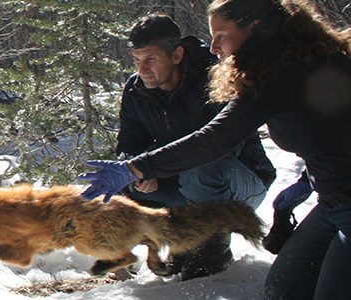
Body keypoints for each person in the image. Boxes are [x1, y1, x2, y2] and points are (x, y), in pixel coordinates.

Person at [78, 0, 351, 298]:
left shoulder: (281, 74)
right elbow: (330, 133)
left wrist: (136, 168)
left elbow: (215, 141)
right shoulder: (280, 67)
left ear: (254, 28)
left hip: (335, 199)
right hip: (332, 203)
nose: (214, 47)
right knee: (284, 289)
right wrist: (306, 182)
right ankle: (180, 243)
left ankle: (209, 249)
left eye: (221, 35)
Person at [116, 14, 277, 280]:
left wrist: (155, 167)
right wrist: (140, 170)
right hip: (184, 183)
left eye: (151, 59)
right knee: (120, 180)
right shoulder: (135, 92)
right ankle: (173, 244)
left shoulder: (215, 79)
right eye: (137, 60)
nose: (142, 69)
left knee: (202, 170)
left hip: (240, 182)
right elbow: (129, 145)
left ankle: (213, 248)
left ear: (177, 55)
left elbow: (220, 147)